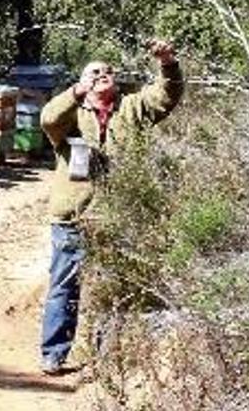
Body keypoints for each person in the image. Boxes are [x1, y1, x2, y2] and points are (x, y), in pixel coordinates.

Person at [38, 39, 184, 375]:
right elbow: (47, 119)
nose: (103, 74)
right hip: (73, 216)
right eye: (95, 72)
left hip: (118, 215)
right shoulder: (71, 112)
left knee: (114, 285)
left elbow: (167, 96)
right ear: (81, 80)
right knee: (64, 284)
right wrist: (76, 92)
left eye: (108, 71)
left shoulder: (132, 107)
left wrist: (168, 63)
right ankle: (53, 354)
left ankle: (106, 359)